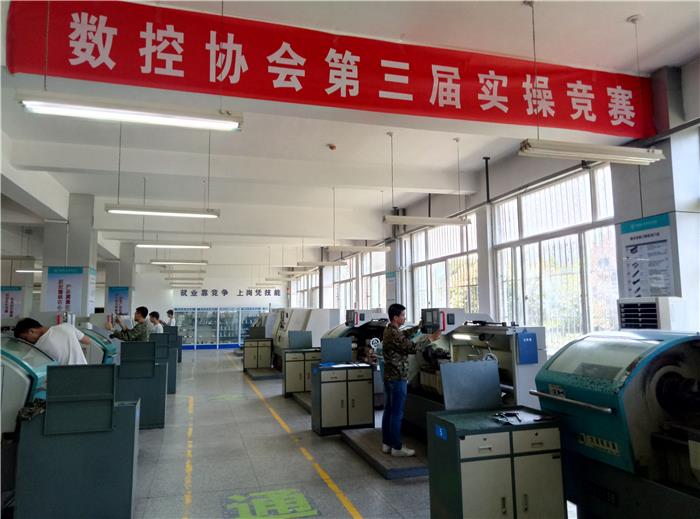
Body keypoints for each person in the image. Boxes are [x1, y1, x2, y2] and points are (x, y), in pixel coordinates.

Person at [381, 303, 440, 457]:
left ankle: (387, 443)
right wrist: (430, 339)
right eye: (402, 315)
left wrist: (418, 327)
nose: (404, 317)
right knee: (397, 413)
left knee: (389, 411)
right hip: (397, 377)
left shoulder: (390, 330)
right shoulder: (394, 334)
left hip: (390, 377)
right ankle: (396, 447)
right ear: (396, 317)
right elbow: (411, 348)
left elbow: (404, 335)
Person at [14, 318, 88, 365]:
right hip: (85, 371)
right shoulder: (66, 326)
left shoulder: (39, 347)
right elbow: (87, 340)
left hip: (68, 379)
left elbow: (27, 364)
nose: (27, 341)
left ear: (31, 331)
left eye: (25, 338)